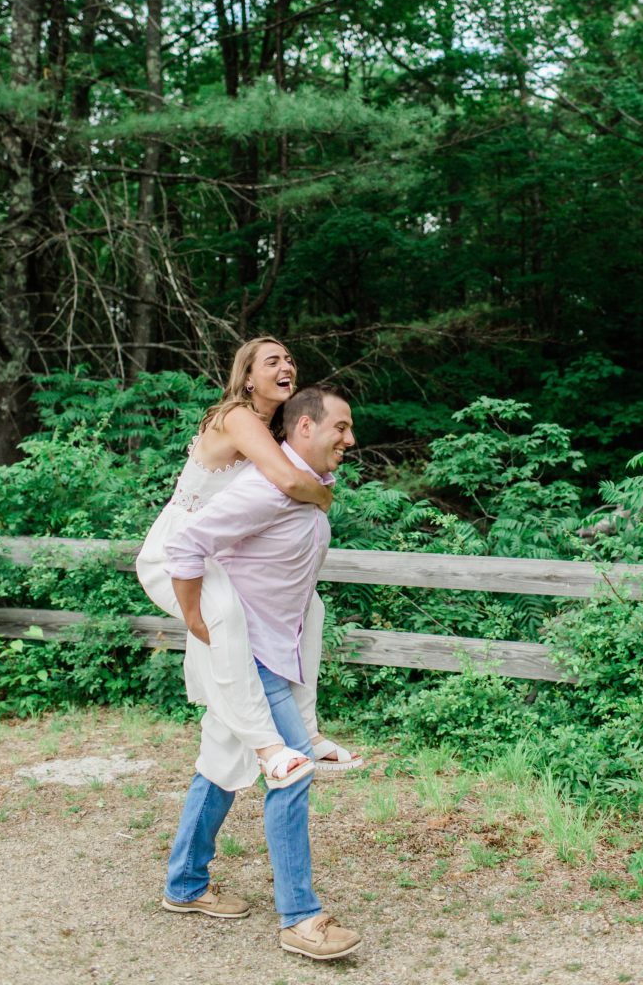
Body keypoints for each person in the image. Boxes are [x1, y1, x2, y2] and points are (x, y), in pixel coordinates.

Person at [161, 385, 361, 961]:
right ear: (303, 428)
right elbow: (188, 542)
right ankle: (300, 918)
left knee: (220, 768)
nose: (350, 439)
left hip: (273, 652)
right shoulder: (267, 490)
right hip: (246, 654)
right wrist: (198, 620)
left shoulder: (305, 488)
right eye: (340, 427)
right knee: (290, 771)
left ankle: (184, 885)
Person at [136, 337, 361, 787]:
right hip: (175, 549)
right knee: (223, 615)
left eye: (290, 360)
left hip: (213, 553)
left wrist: (316, 491)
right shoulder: (237, 417)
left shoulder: (274, 431)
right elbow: (288, 480)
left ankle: (307, 730)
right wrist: (324, 494)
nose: (287, 367)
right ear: (247, 377)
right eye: (272, 361)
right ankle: (269, 747)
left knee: (311, 607)